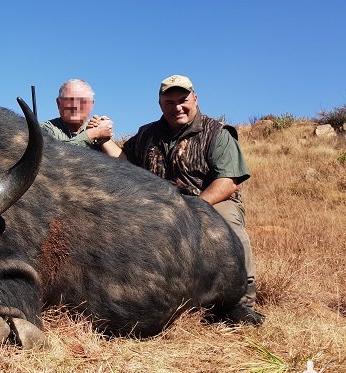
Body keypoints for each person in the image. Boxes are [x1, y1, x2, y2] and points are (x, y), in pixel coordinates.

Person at [101, 74, 264, 324]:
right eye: (169, 102)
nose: (177, 107)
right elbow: (127, 163)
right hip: (163, 206)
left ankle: (242, 302)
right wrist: (104, 141)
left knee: (230, 229)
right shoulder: (147, 134)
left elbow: (229, 181)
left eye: (183, 100)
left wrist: (196, 208)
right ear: (160, 105)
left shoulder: (218, 133)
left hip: (210, 201)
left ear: (195, 99)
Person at [41, 79, 118, 152]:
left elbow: (120, 163)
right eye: (69, 100)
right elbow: (53, 156)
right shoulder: (45, 129)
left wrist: (103, 137)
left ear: (92, 104)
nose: (75, 106)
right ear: (58, 103)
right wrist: (92, 134)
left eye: (82, 100)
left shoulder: (97, 127)